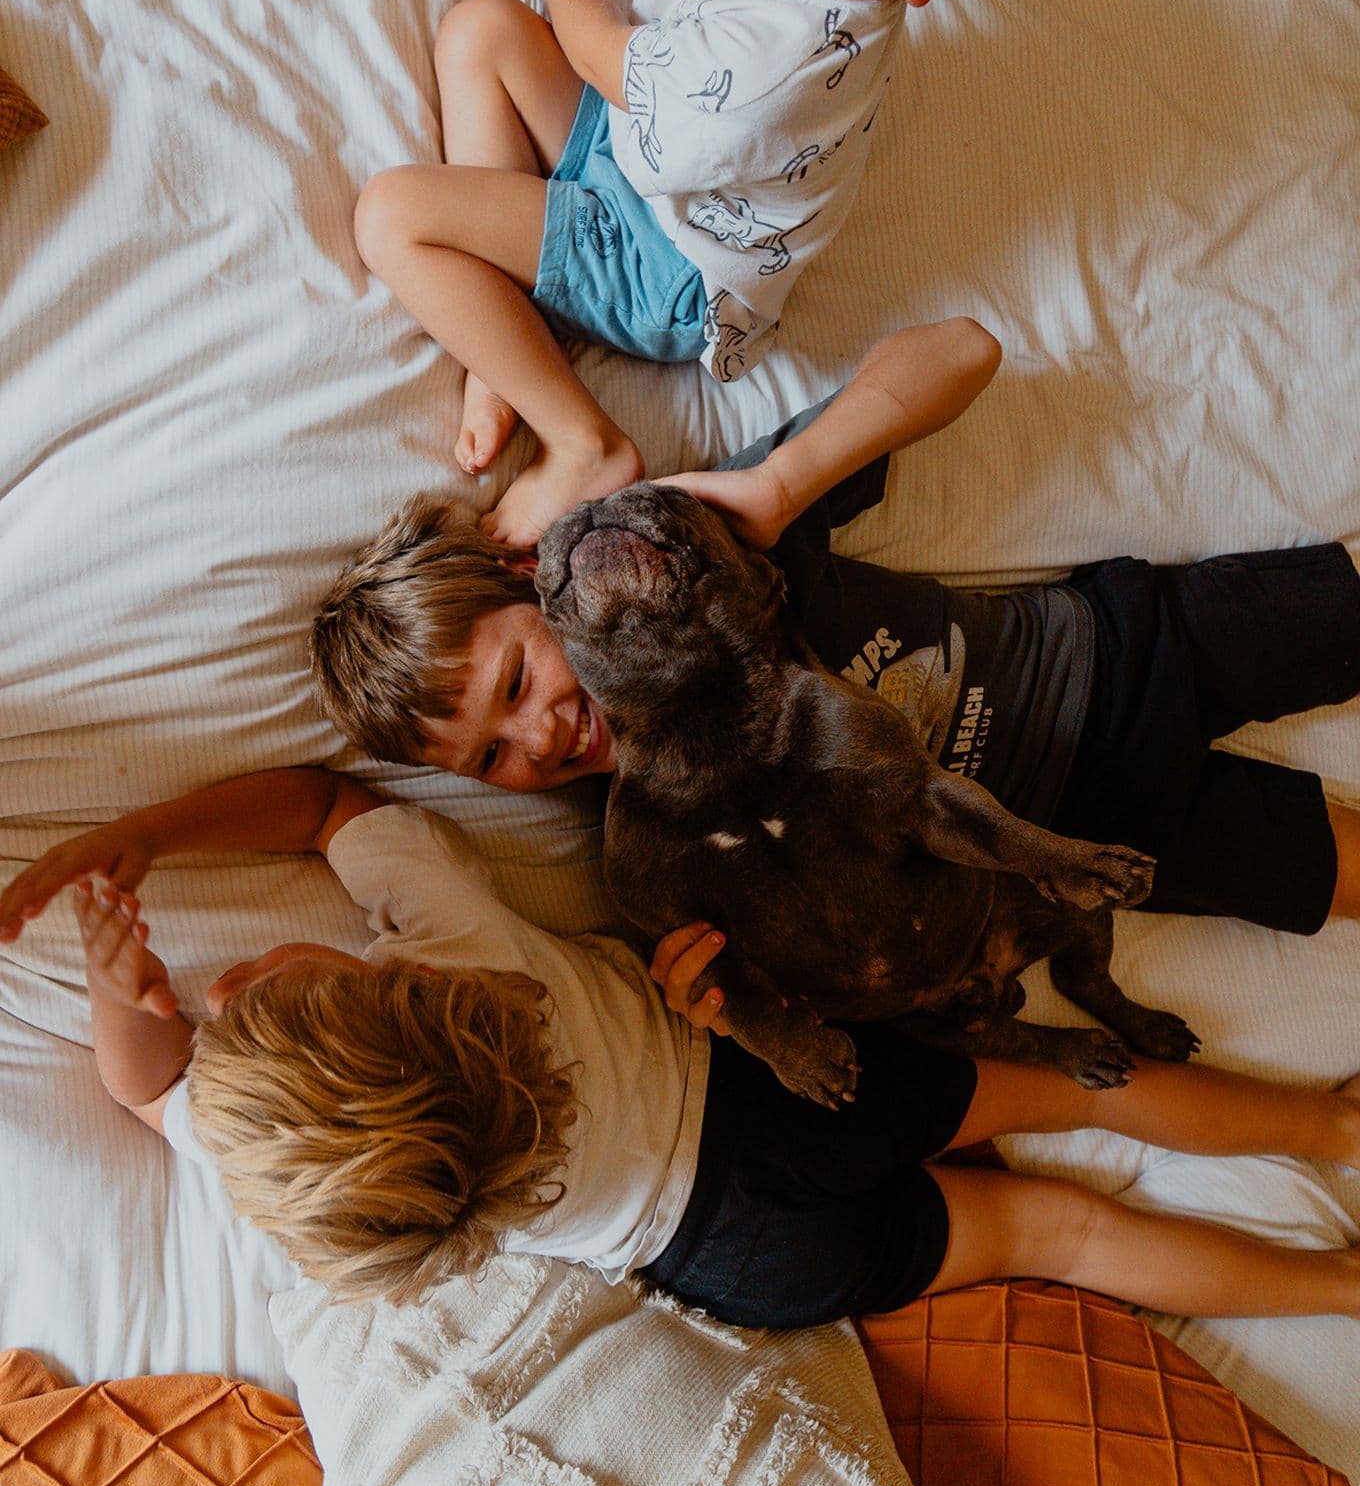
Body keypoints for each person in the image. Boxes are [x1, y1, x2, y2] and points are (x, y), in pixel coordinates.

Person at [4, 775, 1358, 1328]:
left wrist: (124, 996)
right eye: (256, 987)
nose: (218, 980)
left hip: (734, 1259)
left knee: (1063, 1231)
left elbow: (146, 1086)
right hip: (775, 1098)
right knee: (1074, 1091)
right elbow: (324, 803)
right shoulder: (463, 951)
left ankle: (1344, 1292)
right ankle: (1333, 1130)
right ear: (403, 988)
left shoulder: (300, 1163)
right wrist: (152, 835)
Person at [302, 329, 1360, 996]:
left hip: (1117, 652)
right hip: (1085, 839)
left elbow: (961, 353)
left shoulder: (704, 556)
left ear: (534, 579)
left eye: (516, 684)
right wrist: (714, 993)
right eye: (490, 759)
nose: (537, 739)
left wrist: (779, 485)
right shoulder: (652, 837)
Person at [353, 0, 1157, 545]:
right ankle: (508, 338)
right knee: (481, 30)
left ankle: (581, 440)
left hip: (672, 261)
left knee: (394, 218)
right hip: (648, 138)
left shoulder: (771, 67)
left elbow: (605, 55)